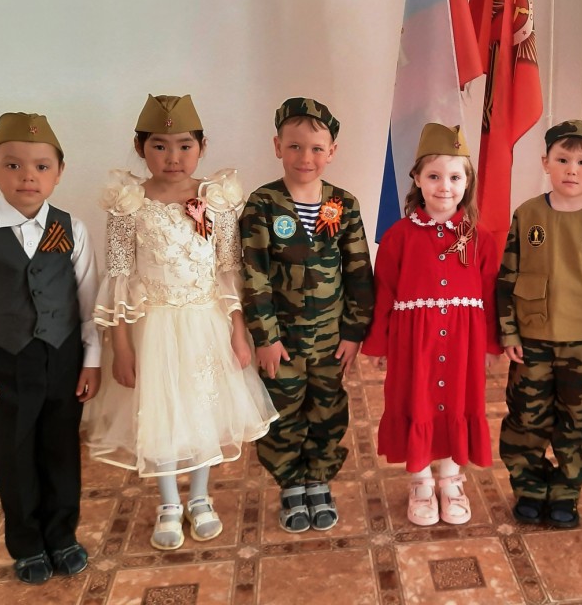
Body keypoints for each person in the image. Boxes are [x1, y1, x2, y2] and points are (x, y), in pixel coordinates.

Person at [84, 94, 276, 552]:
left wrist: (238, 330)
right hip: (153, 328)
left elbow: (228, 268)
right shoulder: (128, 203)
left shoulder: (218, 200)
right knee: (163, 416)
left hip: (207, 324)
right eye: (159, 146)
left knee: (205, 411)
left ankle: (201, 497)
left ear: (202, 147)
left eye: (185, 145)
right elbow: (119, 275)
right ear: (140, 147)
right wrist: (122, 346)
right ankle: (169, 503)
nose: (173, 156)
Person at [0, 113, 100, 584]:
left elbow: (90, 303)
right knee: (13, 456)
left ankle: (62, 535)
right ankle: (27, 544)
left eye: (42, 166)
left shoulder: (71, 228)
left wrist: (92, 360)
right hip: (3, 364)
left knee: (62, 451)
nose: (28, 176)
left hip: (63, 359)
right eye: (13, 165)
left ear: (59, 172)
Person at [240, 97, 374, 533]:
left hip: (331, 339)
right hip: (282, 340)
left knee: (327, 408)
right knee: (283, 410)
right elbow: (254, 275)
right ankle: (290, 483)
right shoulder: (263, 204)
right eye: (295, 146)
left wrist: (353, 332)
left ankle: (318, 477)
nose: (306, 157)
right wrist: (265, 338)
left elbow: (359, 272)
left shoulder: (343, 204)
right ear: (277, 146)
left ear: (332, 152)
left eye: (317, 148)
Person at [362, 124, 500, 526]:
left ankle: (451, 480)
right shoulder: (397, 237)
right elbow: (384, 293)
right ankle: (421, 482)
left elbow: (491, 295)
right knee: (416, 402)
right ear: (417, 179)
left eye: (455, 177)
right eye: (434, 176)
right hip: (413, 346)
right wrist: (378, 344)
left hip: (463, 344)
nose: (445, 187)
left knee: (458, 403)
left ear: (467, 182)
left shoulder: (481, 239)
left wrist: (491, 344)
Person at [497, 120, 582, 530]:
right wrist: (509, 330)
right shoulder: (528, 213)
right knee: (526, 419)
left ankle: (566, 491)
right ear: (545, 162)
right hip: (532, 339)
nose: (572, 169)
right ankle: (529, 488)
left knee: (577, 422)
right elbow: (507, 276)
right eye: (563, 159)